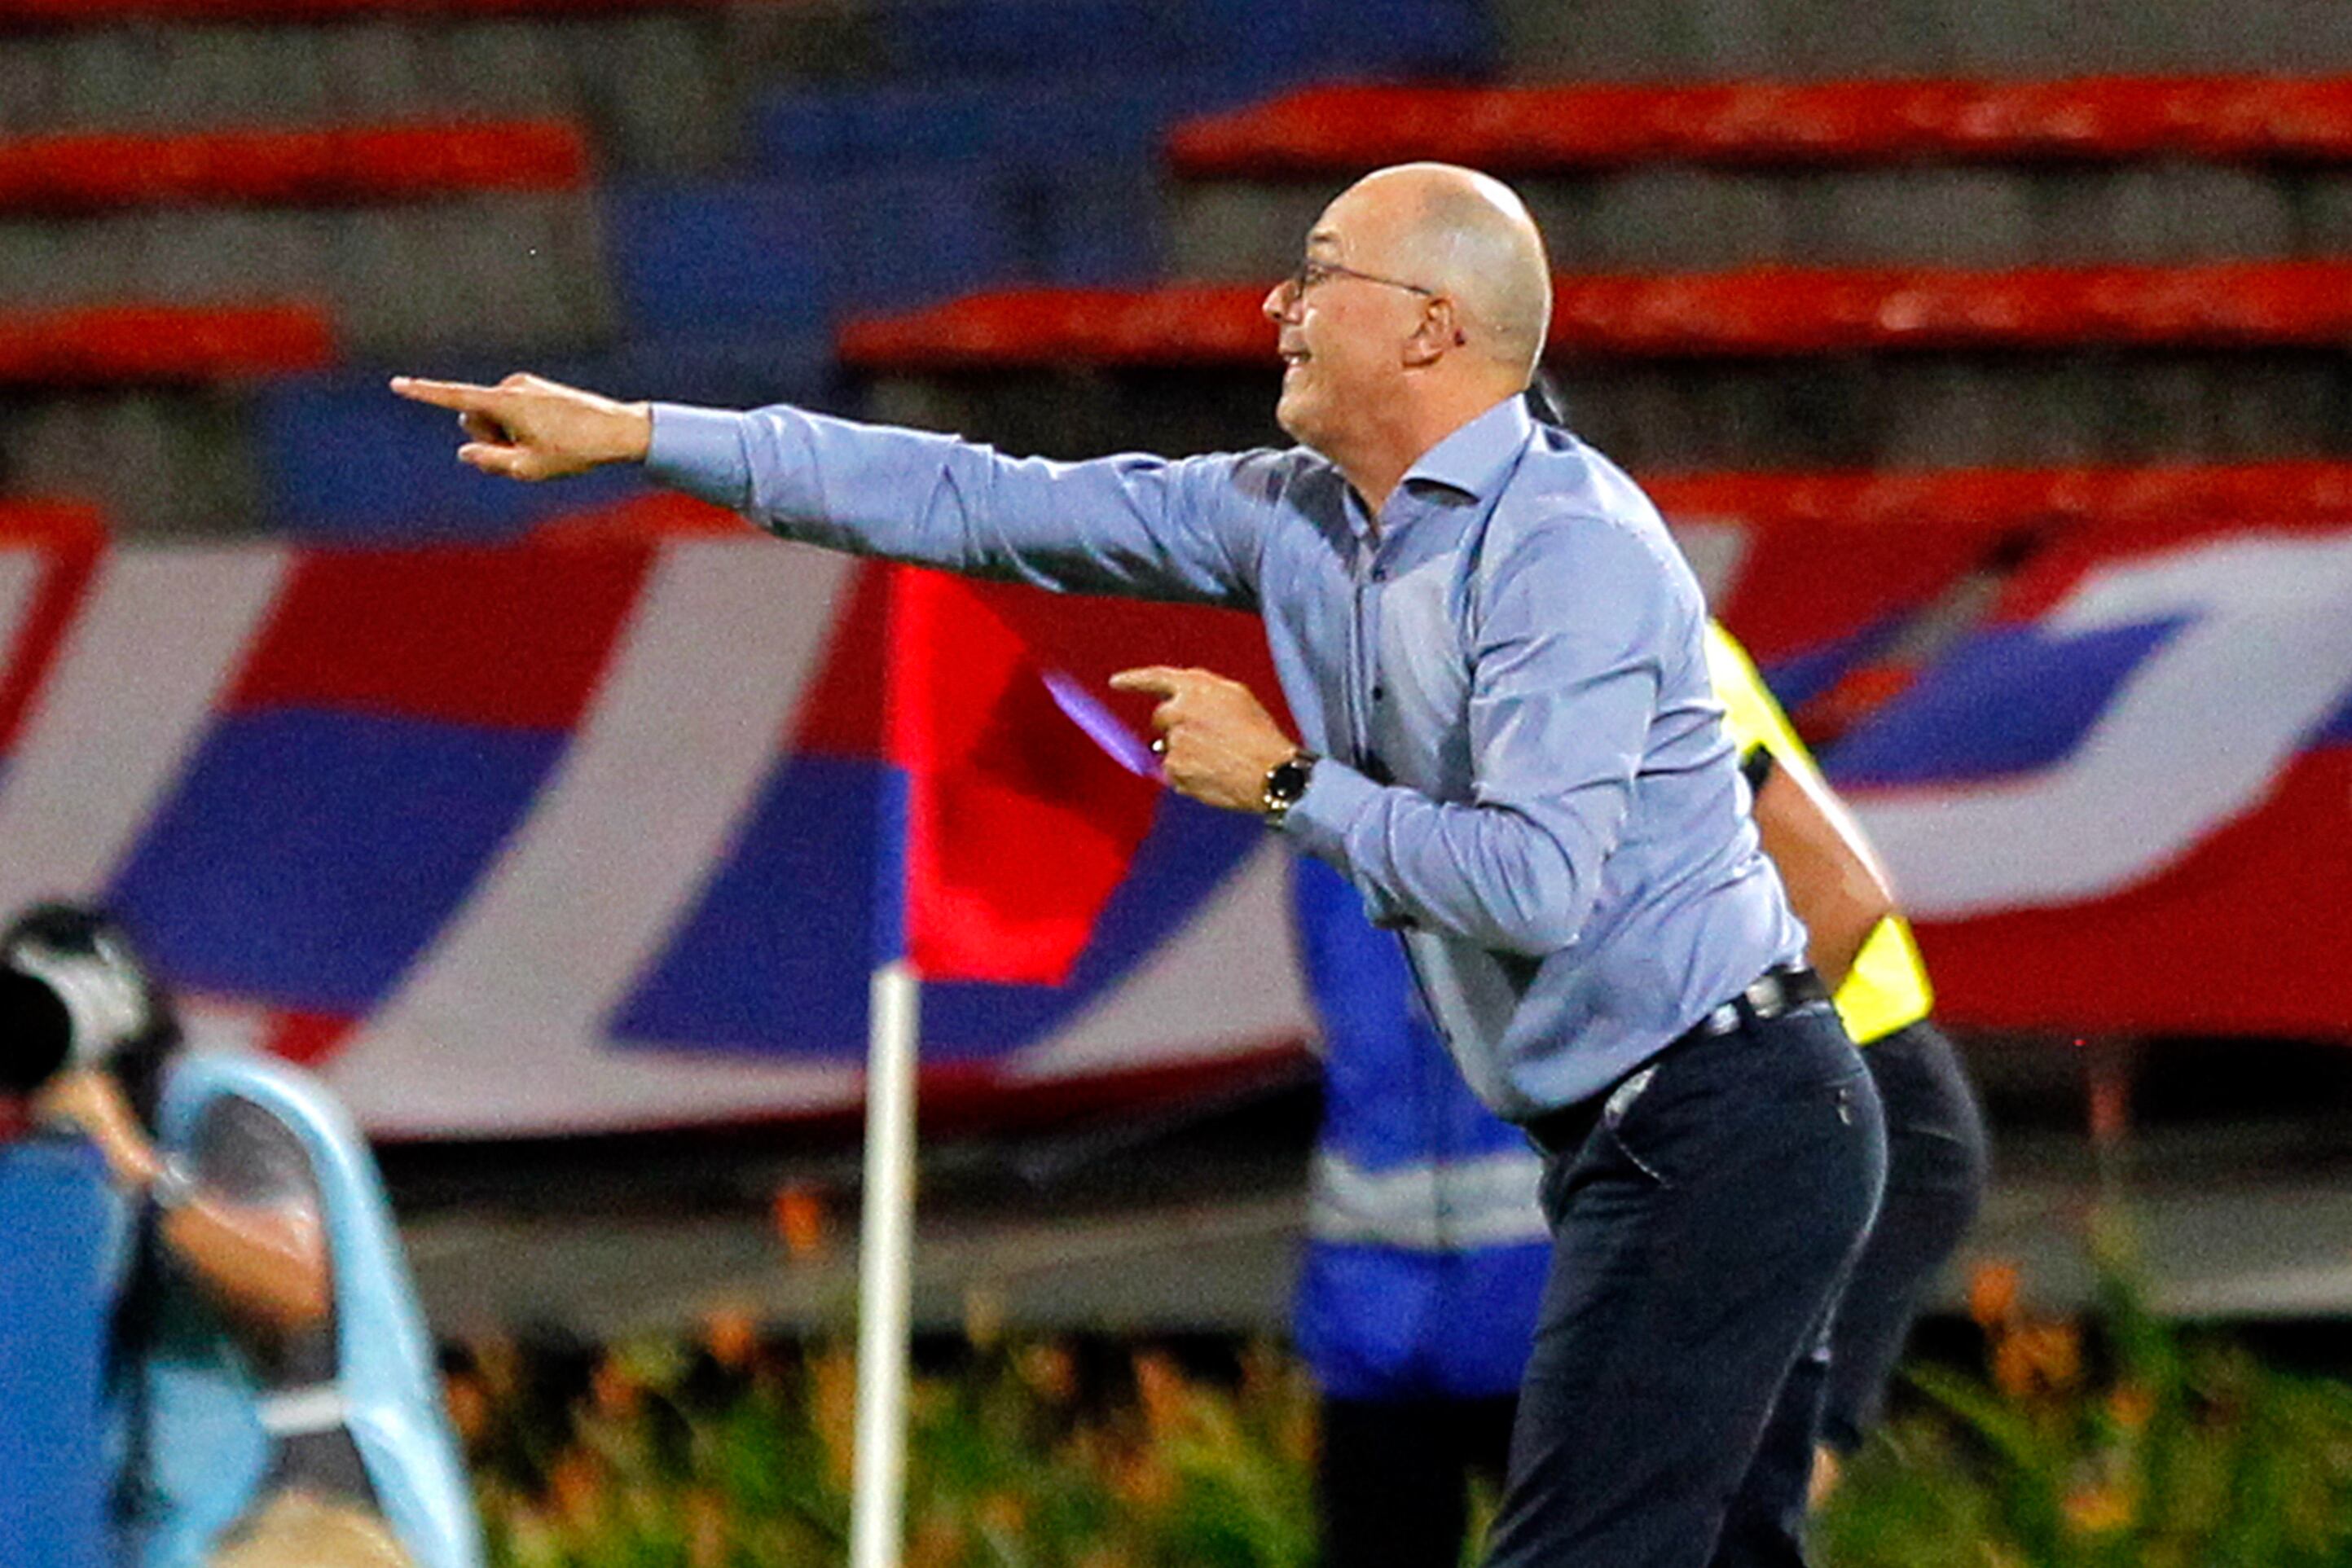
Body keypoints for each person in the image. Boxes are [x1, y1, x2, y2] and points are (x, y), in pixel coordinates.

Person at [392, 160, 1888, 1567]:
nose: (1274, 309)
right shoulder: (1293, 519)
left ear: (1432, 328)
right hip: (1652, 1131)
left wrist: (1287, 783)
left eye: (1317, 276)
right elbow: (979, 499)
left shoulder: (1566, 546)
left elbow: (1536, 885)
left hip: (1728, 1123)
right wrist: (648, 435)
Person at [1292, 618, 1989, 1567]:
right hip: (1483, 1271)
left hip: (1835, 1089)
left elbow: (1839, 898)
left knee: (1708, 1510)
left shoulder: (1591, 626)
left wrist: (1674, 1089)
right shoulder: (1419, 700)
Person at [5, 902, 477, 1568]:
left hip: (312, 1513)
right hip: (193, 1538)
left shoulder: (223, 1106)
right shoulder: (61, 1184)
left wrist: (143, 1172)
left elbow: (292, 1285)